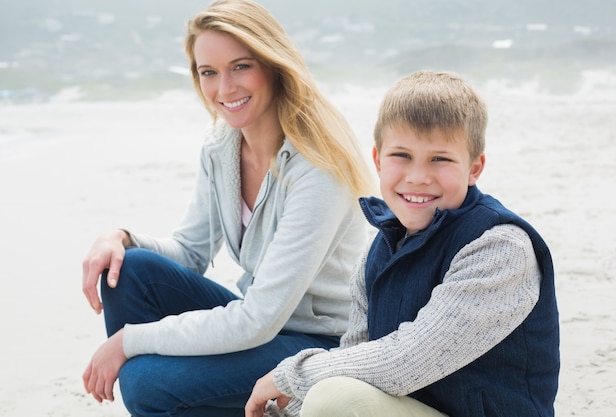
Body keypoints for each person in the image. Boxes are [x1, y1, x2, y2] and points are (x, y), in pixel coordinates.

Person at [81, 1, 373, 416]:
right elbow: (190, 250)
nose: (224, 89)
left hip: (318, 344)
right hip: (262, 326)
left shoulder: (318, 168)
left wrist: (128, 341)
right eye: (209, 73)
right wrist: (120, 238)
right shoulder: (222, 144)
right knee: (128, 269)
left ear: (272, 65)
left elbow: (259, 319)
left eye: (240, 66)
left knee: (144, 382)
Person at [245, 70, 560, 417]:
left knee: (337, 399)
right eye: (402, 156)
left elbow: (408, 359)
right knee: (324, 396)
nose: (418, 176)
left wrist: (291, 376)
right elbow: (356, 354)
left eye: (440, 159)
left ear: (474, 168)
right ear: (378, 160)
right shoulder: (378, 249)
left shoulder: (500, 247)